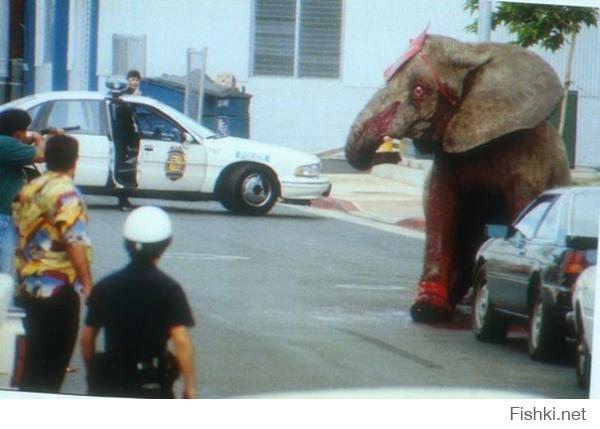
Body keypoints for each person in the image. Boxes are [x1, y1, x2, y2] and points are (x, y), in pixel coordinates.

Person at [81, 206, 196, 399]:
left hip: (112, 379)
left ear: (126, 243)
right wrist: (190, 386)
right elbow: (181, 340)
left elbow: (86, 339)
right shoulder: (169, 289)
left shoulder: (105, 286)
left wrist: (93, 374)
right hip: (152, 381)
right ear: (166, 244)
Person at [12, 134, 92, 393]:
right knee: (50, 373)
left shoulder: (30, 188)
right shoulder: (68, 194)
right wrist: (87, 282)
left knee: (29, 367)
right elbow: (74, 242)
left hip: (25, 287)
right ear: (75, 161)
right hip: (57, 290)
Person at [0, 109, 45, 274]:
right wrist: (39, 139)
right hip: (4, 215)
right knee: (5, 271)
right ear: (18, 132)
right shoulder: (6, 144)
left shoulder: (5, 143)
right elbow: (42, 155)